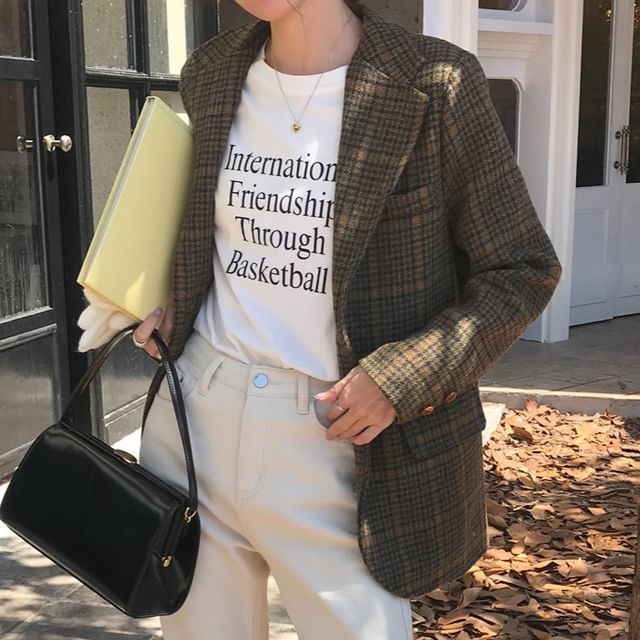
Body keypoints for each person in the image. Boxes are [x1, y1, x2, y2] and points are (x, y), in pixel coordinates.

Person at [131, 1, 562, 638]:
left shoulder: (436, 82)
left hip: (340, 436)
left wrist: (401, 377)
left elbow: (521, 269)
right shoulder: (213, 70)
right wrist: (170, 296)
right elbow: (209, 230)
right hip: (195, 418)